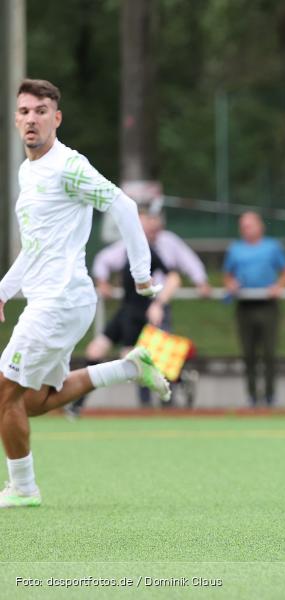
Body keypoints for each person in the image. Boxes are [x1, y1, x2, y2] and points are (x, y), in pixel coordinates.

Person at [0, 79, 170, 508]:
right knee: (34, 400)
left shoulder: (68, 166)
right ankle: (129, 368)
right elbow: (35, 247)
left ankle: (23, 489)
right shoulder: (29, 170)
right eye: (24, 111)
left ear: (56, 118)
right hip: (54, 301)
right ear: (16, 118)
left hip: (60, 302)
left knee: (4, 393)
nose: (31, 118)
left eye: (40, 110)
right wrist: (3, 291)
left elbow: (124, 206)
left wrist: (141, 275)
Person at [68, 209, 211, 416]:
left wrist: (158, 304)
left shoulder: (151, 252)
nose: (150, 230)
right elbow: (103, 261)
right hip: (125, 312)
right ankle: (76, 405)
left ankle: (174, 386)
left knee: (136, 360)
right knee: (94, 351)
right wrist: (103, 281)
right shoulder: (127, 248)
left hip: (145, 314)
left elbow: (174, 278)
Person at [223, 211, 285, 407]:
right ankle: (252, 396)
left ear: (260, 226)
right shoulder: (235, 249)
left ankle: (270, 396)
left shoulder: (272, 246)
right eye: (243, 226)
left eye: (250, 225)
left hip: (267, 305)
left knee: (269, 352)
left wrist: (278, 286)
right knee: (248, 353)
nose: (246, 230)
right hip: (245, 305)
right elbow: (227, 275)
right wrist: (231, 285)